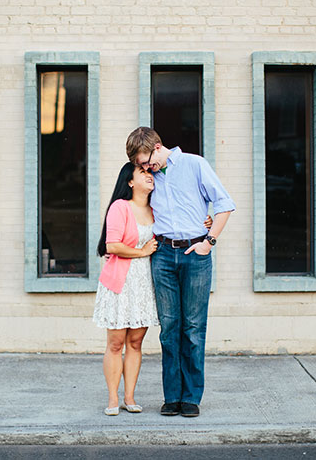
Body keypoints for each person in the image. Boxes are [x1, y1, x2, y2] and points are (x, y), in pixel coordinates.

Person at [126, 126, 235, 418]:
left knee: (194, 327)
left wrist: (209, 242)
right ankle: (172, 396)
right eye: (140, 165)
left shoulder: (194, 164)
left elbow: (224, 203)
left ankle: (191, 397)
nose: (146, 168)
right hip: (162, 254)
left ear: (157, 145)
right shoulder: (150, 178)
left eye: (146, 160)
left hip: (195, 253)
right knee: (169, 327)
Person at [92, 162, 159, 416]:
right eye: (143, 173)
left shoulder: (156, 209)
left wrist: (204, 221)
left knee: (135, 342)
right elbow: (112, 245)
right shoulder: (121, 207)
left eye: (150, 172)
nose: (149, 175)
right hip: (120, 282)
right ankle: (112, 398)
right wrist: (141, 251)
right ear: (130, 182)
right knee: (116, 343)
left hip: (143, 284)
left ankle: (129, 397)